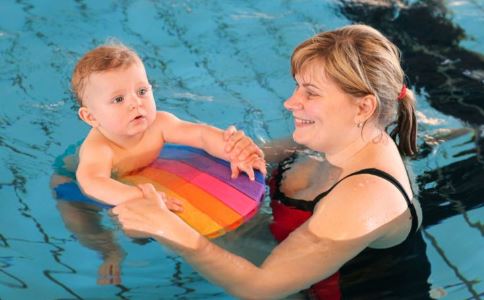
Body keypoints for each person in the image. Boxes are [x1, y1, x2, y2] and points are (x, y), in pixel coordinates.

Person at [111, 24, 431, 299]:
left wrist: (168, 229)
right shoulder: (337, 137)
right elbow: (244, 159)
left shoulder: (364, 197)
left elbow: (261, 289)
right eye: (297, 86)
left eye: (311, 93)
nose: (290, 102)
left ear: (362, 108)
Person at [71, 42, 266, 207]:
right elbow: (93, 182)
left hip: (145, 174)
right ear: (90, 117)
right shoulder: (99, 149)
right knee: (84, 221)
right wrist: (141, 197)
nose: (136, 103)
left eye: (141, 92)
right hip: (72, 184)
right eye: (119, 99)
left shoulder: (159, 124)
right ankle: (108, 249)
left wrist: (236, 153)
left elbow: (201, 135)